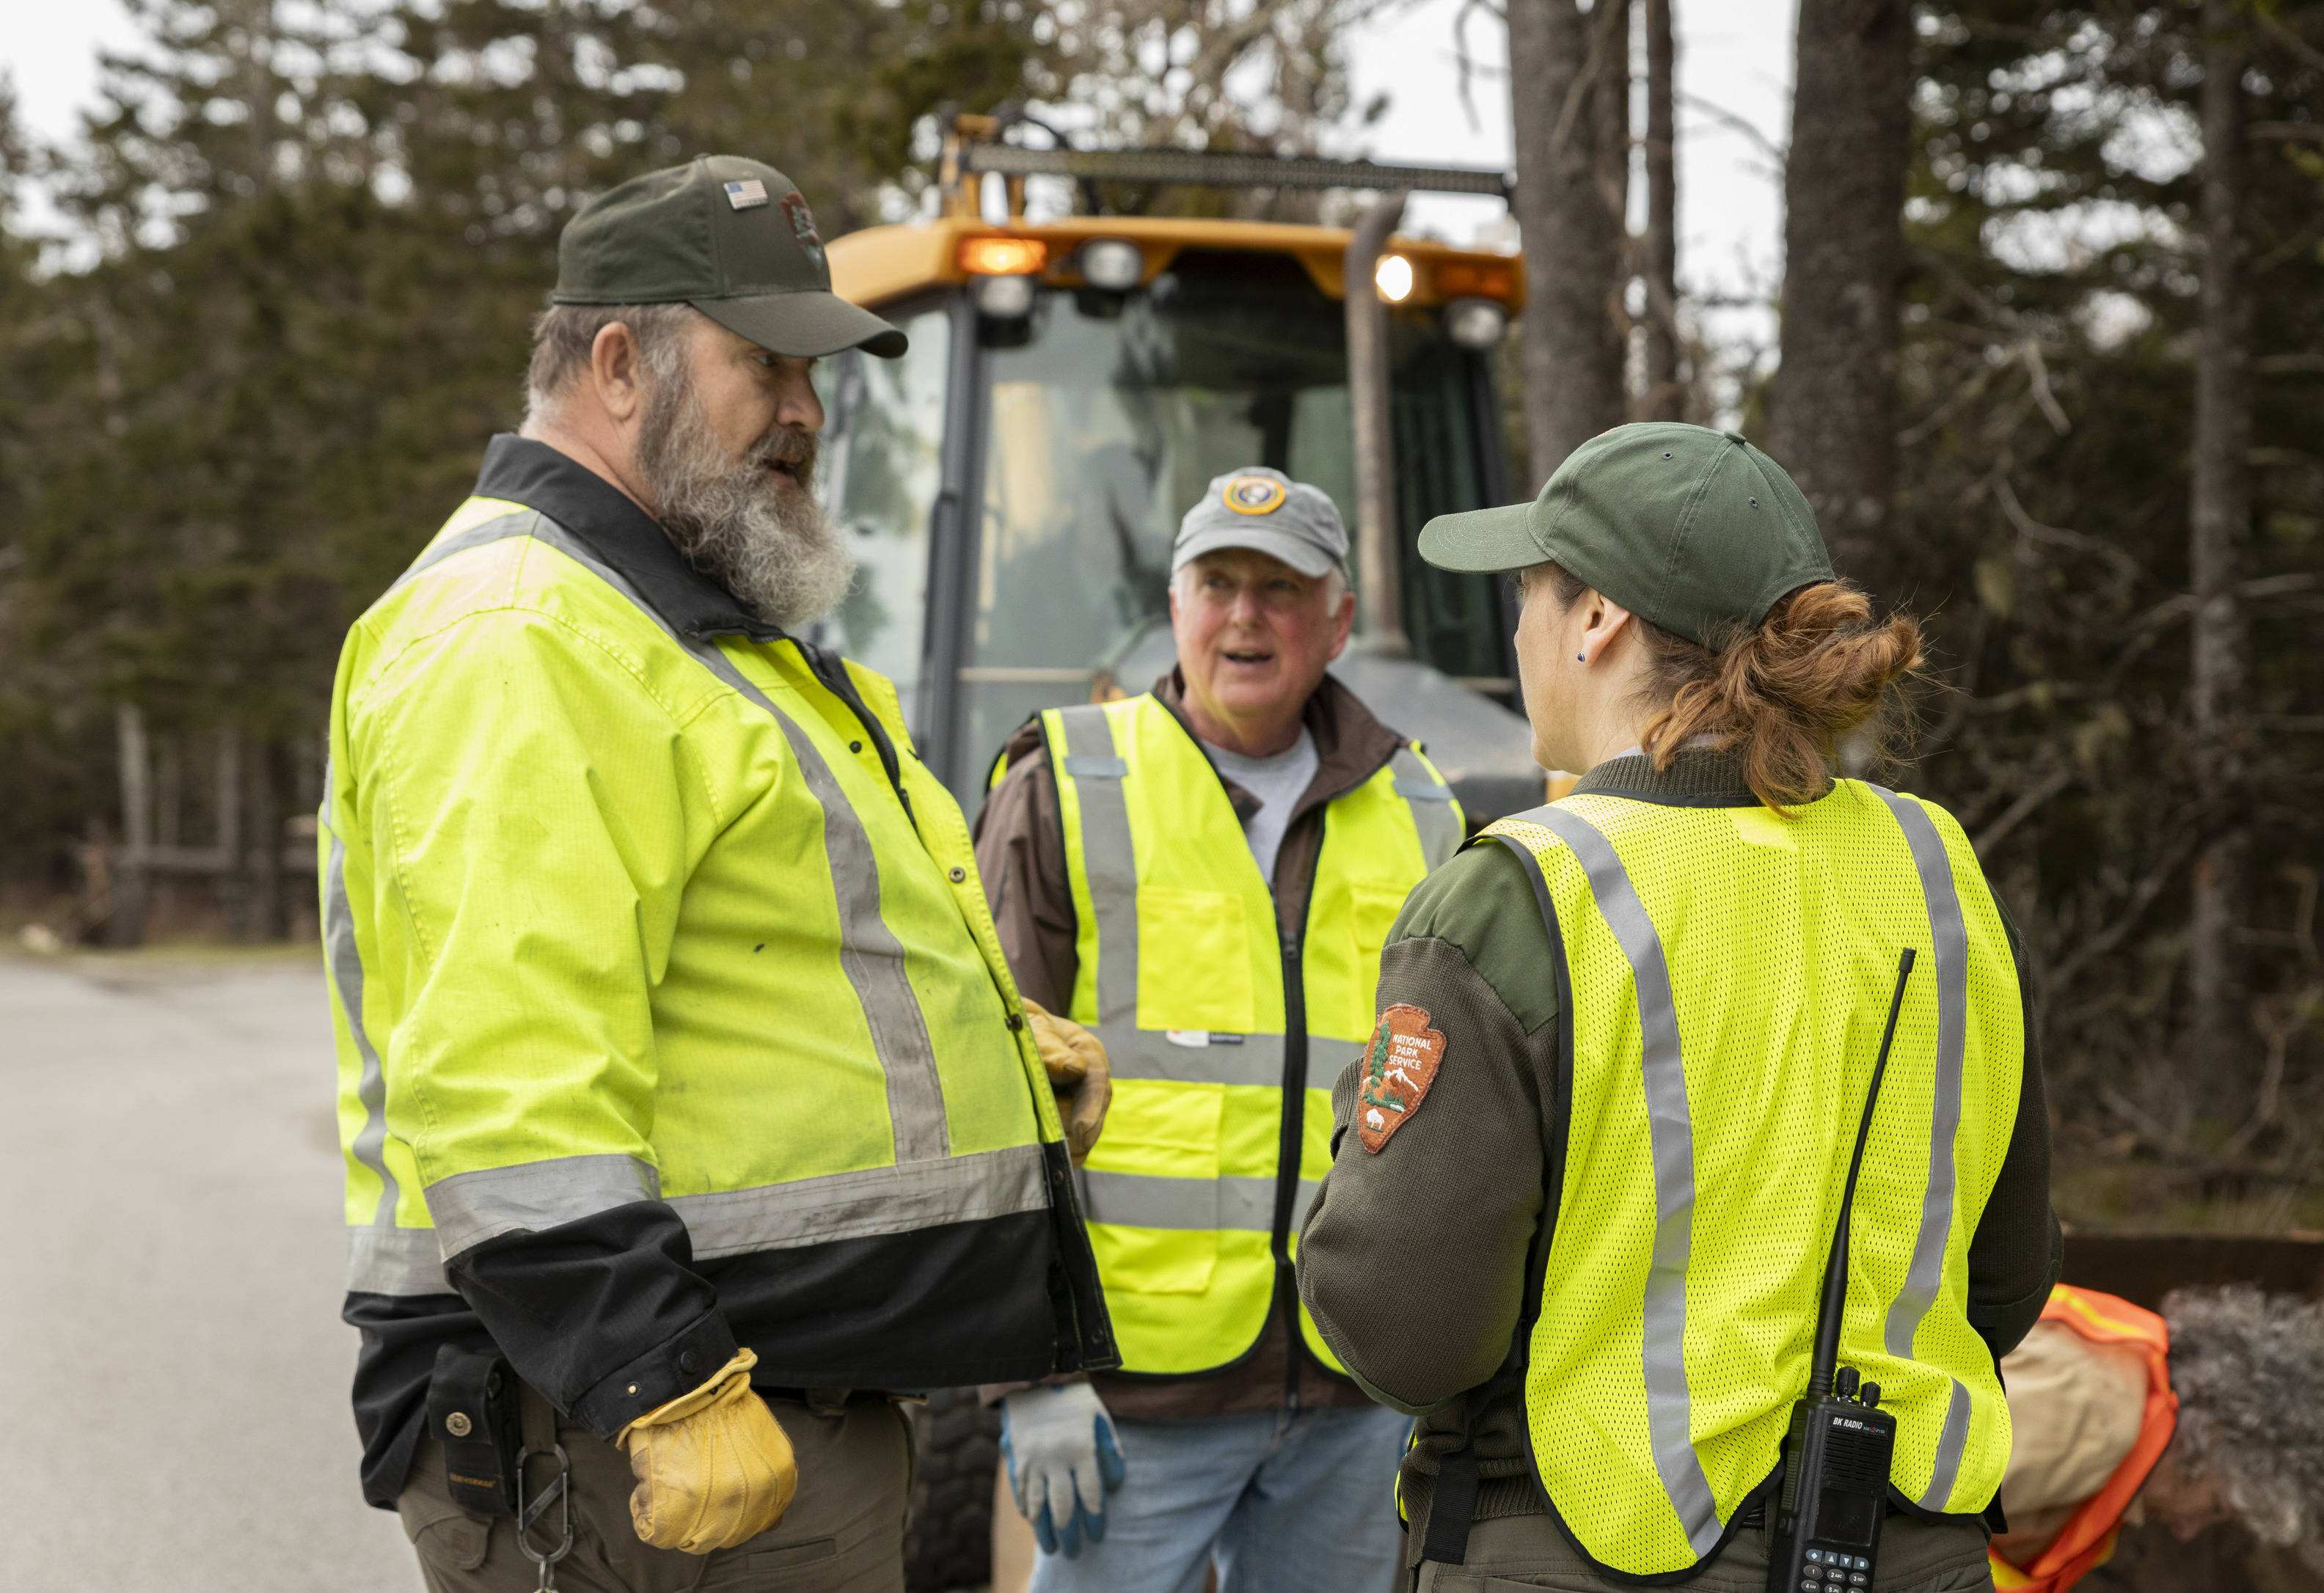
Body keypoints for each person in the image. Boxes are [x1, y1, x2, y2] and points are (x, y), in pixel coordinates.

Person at [321, 153, 1115, 1592]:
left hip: (748, 1405)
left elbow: (764, 962)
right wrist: (656, 1379)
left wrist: (990, 1061)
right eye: (766, 364)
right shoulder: (524, 633)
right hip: (625, 1437)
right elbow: (506, 1073)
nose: (810, 410)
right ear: (620, 365)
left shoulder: (681, 622)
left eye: (815, 373)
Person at [1297, 422, 2065, 1593]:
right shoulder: (1934, 872)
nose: (1515, 630)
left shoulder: (1518, 895)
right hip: (1906, 1554)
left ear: (1595, 618)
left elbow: (1406, 1330)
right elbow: (2001, 1282)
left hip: (1580, 1553)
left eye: (1529, 593)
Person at [973, 465, 1466, 1593]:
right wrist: (1026, 1371)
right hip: (1131, 1392)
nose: (1246, 615)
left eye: (1281, 588)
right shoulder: (1066, 785)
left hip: (1355, 1393)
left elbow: (1456, 1114)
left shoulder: (1426, 811)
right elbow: (987, 1091)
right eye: (1217, 582)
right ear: (1175, 602)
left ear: (1338, 621)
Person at [1992, 1283, 2324, 1591]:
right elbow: (1933, 1480)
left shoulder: (2119, 1444)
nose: (2185, 1530)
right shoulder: (2095, 1419)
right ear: (2213, 1437)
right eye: (2215, 1506)